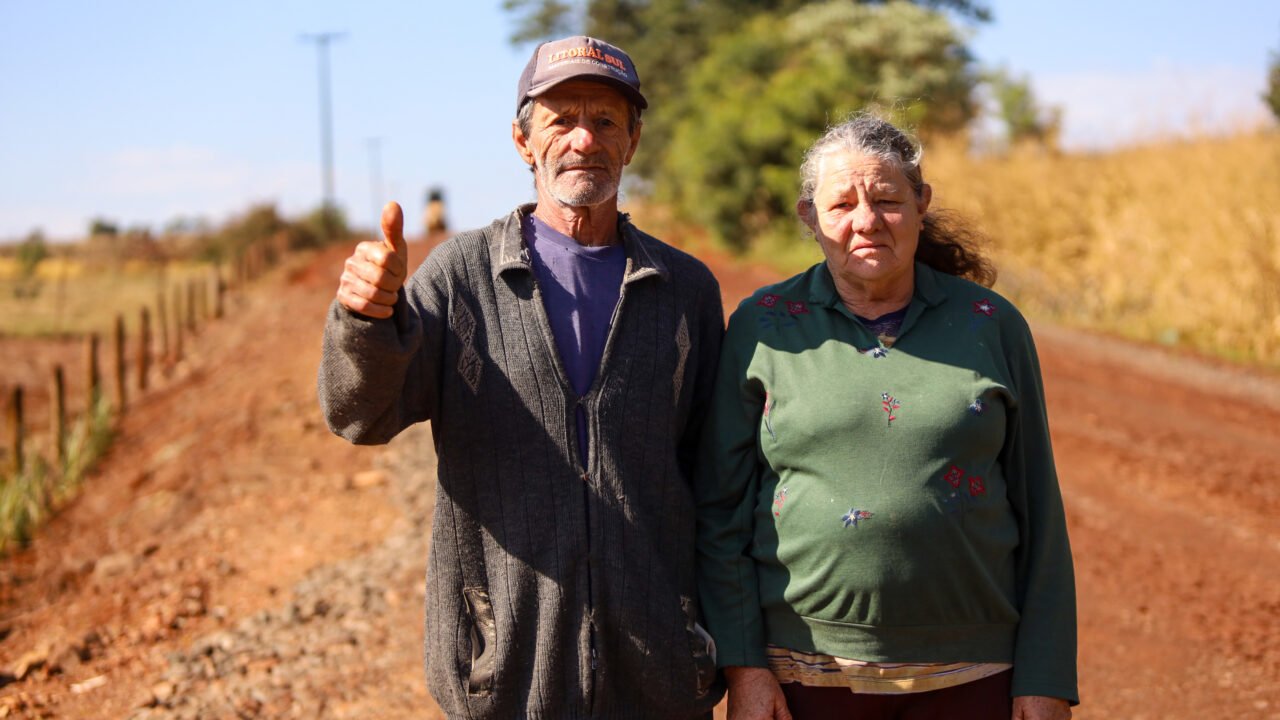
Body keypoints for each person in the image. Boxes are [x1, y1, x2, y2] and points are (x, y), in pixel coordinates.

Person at [318, 36, 725, 719]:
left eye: (604, 120)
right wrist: (368, 319)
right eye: (561, 119)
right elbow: (360, 415)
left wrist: (726, 645)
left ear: (632, 141)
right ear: (522, 141)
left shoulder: (684, 291)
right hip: (506, 671)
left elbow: (716, 479)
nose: (583, 139)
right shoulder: (461, 279)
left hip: (656, 672)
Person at [695, 112, 1077, 720]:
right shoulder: (763, 326)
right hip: (805, 674)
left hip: (974, 673)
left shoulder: (991, 324)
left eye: (888, 200)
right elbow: (721, 512)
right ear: (809, 217)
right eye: (842, 204)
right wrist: (744, 668)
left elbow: (1040, 513)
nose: (867, 221)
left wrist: (1046, 676)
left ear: (922, 204)